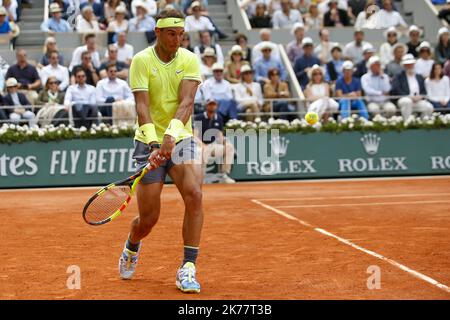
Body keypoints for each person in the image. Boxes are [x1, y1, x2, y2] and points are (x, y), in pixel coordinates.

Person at [123, 8, 204, 294]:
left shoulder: (190, 59)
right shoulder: (141, 60)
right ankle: (132, 244)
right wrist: (155, 144)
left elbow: (187, 102)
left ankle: (188, 267)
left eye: (181, 34)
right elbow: (142, 107)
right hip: (148, 140)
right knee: (148, 219)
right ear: (157, 32)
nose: (177, 39)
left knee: (194, 194)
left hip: (181, 138)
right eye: (171, 33)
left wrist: (170, 137)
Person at [194, 98, 235, 184]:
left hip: (212, 146)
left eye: (214, 104)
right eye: (210, 104)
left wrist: (225, 142)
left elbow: (220, 136)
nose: (212, 106)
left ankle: (224, 175)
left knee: (229, 148)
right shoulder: (199, 117)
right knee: (204, 150)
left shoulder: (219, 118)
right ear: (206, 106)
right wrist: (203, 145)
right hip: (199, 146)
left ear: (216, 106)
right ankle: (201, 177)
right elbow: (195, 136)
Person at [391, 54, 433, 120]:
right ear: (404, 65)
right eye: (407, 65)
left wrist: (420, 97)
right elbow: (396, 89)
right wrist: (409, 97)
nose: (409, 66)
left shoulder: (419, 76)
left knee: (429, 107)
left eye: (411, 64)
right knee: (407, 102)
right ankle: (407, 123)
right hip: (404, 99)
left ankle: (422, 124)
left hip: (417, 100)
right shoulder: (399, 76)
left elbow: (424, 91)